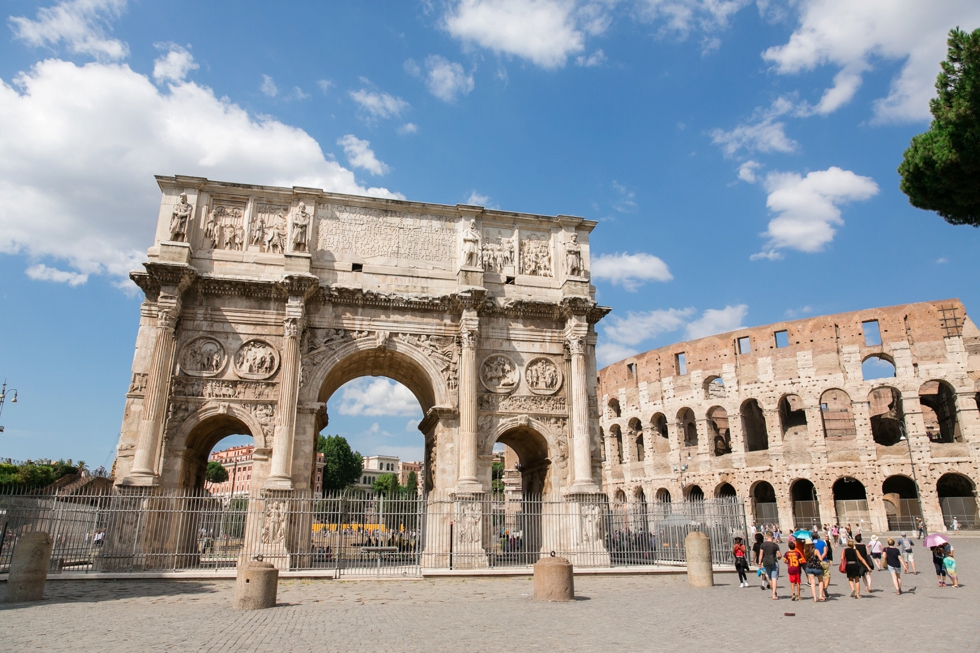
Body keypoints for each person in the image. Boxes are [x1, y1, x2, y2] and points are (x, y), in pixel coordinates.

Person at [760, 532, 780, 600]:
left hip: (766, 562)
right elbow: (779, 555)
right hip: (774, 561)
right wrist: (779, 558)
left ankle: (773, 592)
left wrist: (759, 563)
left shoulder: (763, 545)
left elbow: (761, 554)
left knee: (770, 578)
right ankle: (774, 594)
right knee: (774, 578)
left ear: (767, 536)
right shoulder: (775, 545)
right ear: (772, 537)